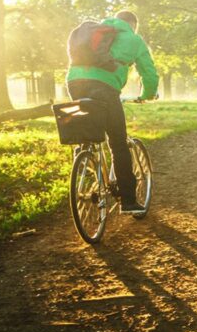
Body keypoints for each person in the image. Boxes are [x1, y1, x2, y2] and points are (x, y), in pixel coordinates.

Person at [66, 11, 158, 213]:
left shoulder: (95, 33)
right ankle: (129, 202)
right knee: (118, 142)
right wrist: (148, 93)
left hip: (74, 82)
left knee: (88, 130)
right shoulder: (134, 39)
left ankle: (84, 162)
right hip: (105, 88)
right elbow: (148, 72)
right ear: (133, 25)